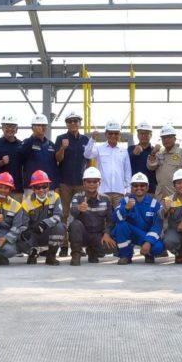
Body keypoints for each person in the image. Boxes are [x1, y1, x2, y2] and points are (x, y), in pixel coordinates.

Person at [54, 112, 89, 257]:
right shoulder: (60, 138)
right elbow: (57, 159)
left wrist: (89, 180)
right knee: (64, 214)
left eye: (75, 121)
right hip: (65, 182)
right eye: (70, 121)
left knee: (80, 214)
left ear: (80, 122)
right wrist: (62, 148)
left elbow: (89, 160)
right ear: (66, 124)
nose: (73, 123)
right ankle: (63, 246)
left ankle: (78, 245)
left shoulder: (85, 139)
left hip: (81, 183)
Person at [112, 172, 166, 265]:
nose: (139, 188)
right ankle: (125, 256)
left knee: (158, 248)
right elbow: (114, 217)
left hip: (145, 235)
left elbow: (157, 226)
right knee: (121, 226)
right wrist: (126, 208)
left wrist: (148, 242)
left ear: (147, 187)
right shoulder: (125, 200)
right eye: (135, 185)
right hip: (130, 233)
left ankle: (148, 254)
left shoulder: (154, 203)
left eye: (142, 185)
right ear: (131, 187)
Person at [68, 166, 117, 265]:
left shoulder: (106, 199)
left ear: (99, 183)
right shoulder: (78, 197)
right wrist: (79, 208)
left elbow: (110, 220)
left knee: (112, 248)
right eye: (89, 181)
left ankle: (93, 252)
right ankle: (76, 254)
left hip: (98, 235)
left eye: (95, 181)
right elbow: (72, 211)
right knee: (75, 224)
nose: (92, 184)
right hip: (83, 235)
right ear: (84, 183)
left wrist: (107, 234)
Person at [17, 170, 66, 265]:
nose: (41, 190)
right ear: (32, 188)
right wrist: (24, 232)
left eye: (44, 186)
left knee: (60, 227)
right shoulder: (26, 203)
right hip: (34, 234)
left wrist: (44, 224)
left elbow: (58, 215)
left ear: (48, 186)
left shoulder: (55, 197)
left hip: (49, 233)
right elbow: (23, 224)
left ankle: (51, 256)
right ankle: (33, 252)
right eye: (37, 187)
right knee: (19, 239)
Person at [83, 120, 131, 207]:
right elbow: (87, 154)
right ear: (106, 134)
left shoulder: (124, 151)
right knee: (102, 215)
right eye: (110, 133)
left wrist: (128, 190)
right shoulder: (99, 149)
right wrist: (92, 139)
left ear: (119, 135)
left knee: (119, 214)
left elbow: (127, 172)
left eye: (116, 133)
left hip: (119, 192)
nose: (113, 135)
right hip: (102, 191)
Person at [147, 124, 182, 201]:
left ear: (175, 138)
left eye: (169, 137)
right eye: (164, 138)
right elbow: (151, 167)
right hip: (160, 193)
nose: (166, 140)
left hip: (176, 193)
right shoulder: (159, 153)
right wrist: (153, 154)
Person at [0, 115, 25, 201]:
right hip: (1, 188)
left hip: (17, 188)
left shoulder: (21, 145)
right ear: (2, 128)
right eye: (7, 126)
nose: (10, 129)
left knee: (16, 209)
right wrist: (1, 162)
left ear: (17, 129)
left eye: (13, 126)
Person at [20, 113, 58, 190]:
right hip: (32, 187)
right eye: (38, 125)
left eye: (43, 125)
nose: (41, 128)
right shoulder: (27, 142)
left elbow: (54, 167)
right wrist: (33, 136)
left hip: (48, 187)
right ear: (32, 128)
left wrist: (56, 185)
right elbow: (21, 155)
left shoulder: (51, 145)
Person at [128, 121, 158, 194]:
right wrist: (133, 154)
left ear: (151, 135)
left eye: (146, 133)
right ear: (137, 135)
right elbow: (124, 165)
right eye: (141, 133)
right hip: (134, 190)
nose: (144, 136)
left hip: (151, 190)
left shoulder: (155, 151)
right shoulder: (130, 149)